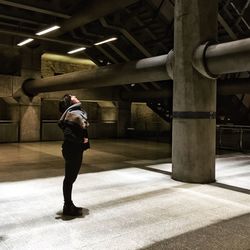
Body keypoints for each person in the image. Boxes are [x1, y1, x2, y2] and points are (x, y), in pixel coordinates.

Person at [58, 94, 90, 216]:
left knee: (71, 178)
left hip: (74, 149)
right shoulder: (72, 114)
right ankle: (68, 206)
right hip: (72, 149)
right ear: (70, 103)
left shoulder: (77, 112)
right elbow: (68, 134)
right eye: (72, 97)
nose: (76, 96)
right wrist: (81, 141)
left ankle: (68, 205)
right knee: (69, 179)